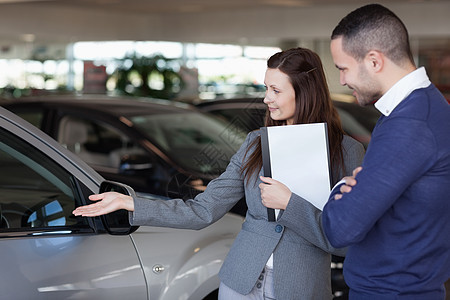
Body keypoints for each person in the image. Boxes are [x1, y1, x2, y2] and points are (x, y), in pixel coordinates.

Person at [73, 47, 365, 299]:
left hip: (300, 288)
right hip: (240, 282)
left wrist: (290, 204)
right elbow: (203, 210)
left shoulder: (346, 152)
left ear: (304, 93)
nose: (266, 99)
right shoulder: (255, 143)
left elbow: (345, 242)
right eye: (266, 88)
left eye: (276, 90)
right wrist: (130, 203)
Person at [319, 4, 450, 299]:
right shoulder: (426, 107)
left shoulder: (409, 124)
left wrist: (341, 187)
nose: (341, 80)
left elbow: (341, 228)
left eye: (343, 68)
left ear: (374, 61)